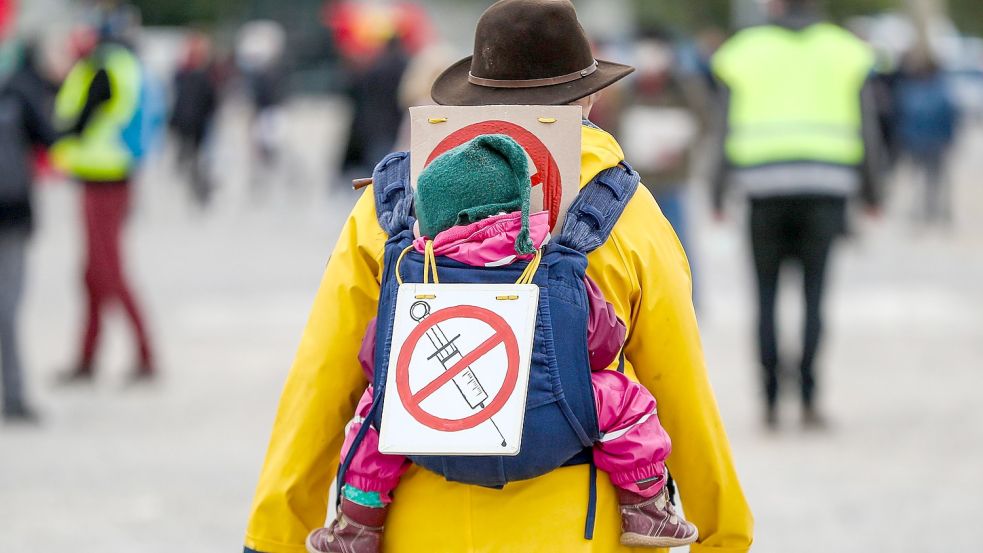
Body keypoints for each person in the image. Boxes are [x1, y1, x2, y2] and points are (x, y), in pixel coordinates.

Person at [244, 1, 753, 552]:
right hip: (575, 527)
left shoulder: (392, 205)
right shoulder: (624, 209)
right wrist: (723, 534)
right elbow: (677, 385)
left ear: (475, 96)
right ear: (587, 98)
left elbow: (322, 378)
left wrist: (274, 536)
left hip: (419, 525)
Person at [306, 134, 698, 552]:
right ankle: (645, 505)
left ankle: (359, 523)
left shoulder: (411, 269)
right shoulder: (553, 262)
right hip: (551, 430)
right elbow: (602, 343)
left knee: (374, 414)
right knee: (625, 400)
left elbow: (372, 357)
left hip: (431, 436)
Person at [710, 0, 883, 428]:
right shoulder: (848, 51)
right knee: (814, 296)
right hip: (825, 191)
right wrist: (873, 190)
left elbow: (723, 125)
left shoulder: (742, 50)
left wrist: (716, 190)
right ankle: (808, 398)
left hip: (762, 192)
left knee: (765, 297)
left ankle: (769, 401)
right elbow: (868, 126)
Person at [51, 26, 155, 382]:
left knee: (108, 272)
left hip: (103, 181)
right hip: (107, 178)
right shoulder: (120, 65)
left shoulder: (102, 69)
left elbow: (78, 123)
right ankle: (88, 355)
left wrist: (47, 137)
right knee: (94, 275)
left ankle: (145, 355)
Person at [0, 42, 59, 422]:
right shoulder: (22, 90)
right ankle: (15, 395)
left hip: (11, 212)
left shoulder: (18, 90)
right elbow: (51, 137)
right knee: (7, 306)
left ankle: (16, 394)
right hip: (12, 212)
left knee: (7, 307)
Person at [893, 52, 958, 225]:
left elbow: (903, 116)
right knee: (933, 179)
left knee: (922, 177)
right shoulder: (941, 90)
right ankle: (931, 210)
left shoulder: (911, 89)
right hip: (932, 140)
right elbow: (949, 117)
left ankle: (924, 211)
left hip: (919, 140)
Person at [170, 32, 218, 208]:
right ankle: (196, 189)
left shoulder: (206, 73)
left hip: (199, 124)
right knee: (188, 160)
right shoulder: (183, 74)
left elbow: (211, 101)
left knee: (200, 160)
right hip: (187, 124)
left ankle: (201, 191)